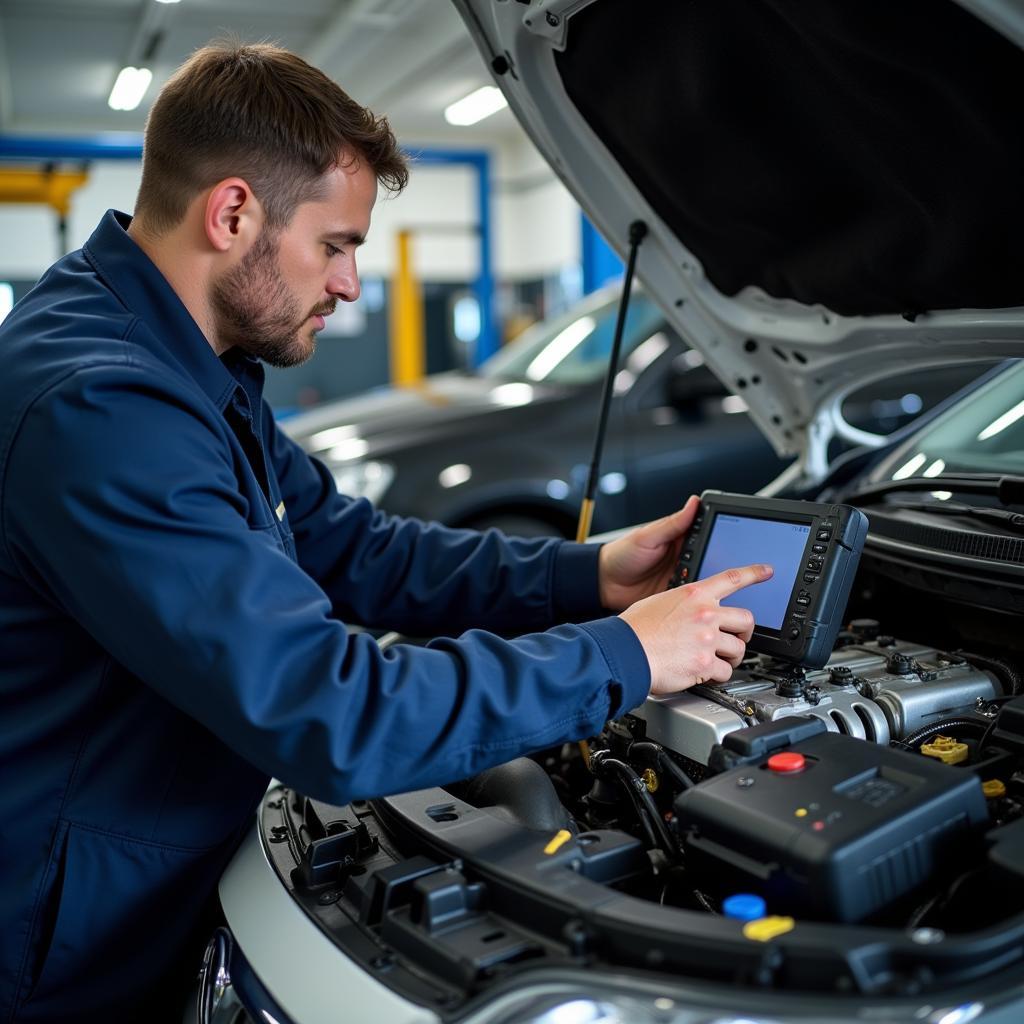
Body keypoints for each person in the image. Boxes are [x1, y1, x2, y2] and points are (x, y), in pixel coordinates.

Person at [0, 42, 770, 1023]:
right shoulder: (105, 405)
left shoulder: (180, 362)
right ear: (233, 213)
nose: (353, 283)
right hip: (61, 949)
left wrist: (590, 576)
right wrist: (620, 656)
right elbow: (329, 708)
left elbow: (356, 548)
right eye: (335, 244)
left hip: (135, 873)